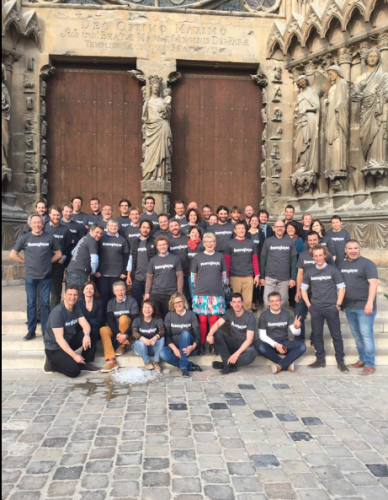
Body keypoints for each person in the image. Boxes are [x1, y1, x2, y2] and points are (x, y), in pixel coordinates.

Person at [11, 214, 62, 341]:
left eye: (39, 222)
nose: (37, 225)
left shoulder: (49, 237)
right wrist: (25, 262)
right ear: (30, 224)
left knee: (45, 303)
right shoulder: (25, 238)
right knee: (31, 303)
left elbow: (59, 254)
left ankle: (45, 330)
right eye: (35, 222)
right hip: (30, 276)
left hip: (45, 276)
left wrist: (49, 262)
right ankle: (31, 330)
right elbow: (13, 254)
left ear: (43, 224)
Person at [301, 245, 348, 372]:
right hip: (316, 308)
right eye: (315, 256)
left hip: (331, 308)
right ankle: (320, 360)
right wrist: (308, 304)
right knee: (317, 335)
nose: (318, 258)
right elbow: (303, 289)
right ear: (313, 257)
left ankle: (340, 361)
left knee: (336, 335)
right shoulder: (309, 272)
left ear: (325, 255)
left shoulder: (333, 270)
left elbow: (342, 288)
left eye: (320, 255)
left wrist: (338, 305)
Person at [43, 284, 100, 377]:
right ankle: (51, 364)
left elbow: (85, 324)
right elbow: (59, 339)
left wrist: (86, 335)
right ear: (64, 295)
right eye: (70, 294)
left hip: (68, 341)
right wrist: (74, 356)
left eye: (75, 295)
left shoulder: (76, 307)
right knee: (74, 371)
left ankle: (85, 362)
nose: (72, 297)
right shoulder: (57, 313)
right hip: (55, 347)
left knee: (92, 332)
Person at [340, 240, 379, 376]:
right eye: (350, 248)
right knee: (357, 335)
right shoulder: (342, 265)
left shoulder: (368, 264)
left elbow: (373, 284)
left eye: (355, 248)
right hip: (350, 306)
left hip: (364, 307)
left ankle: (370, 364)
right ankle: (362, 359)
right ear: (345, 250)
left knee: (366, 336)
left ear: (359, 249)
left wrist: (370, 303)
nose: (353, 250)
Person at [191, 232, 227, 355]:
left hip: (216, 294)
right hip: (201, 294)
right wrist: (200, 288)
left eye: (212, 241)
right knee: (202, 321)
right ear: (204, 243)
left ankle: (212, 344)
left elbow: (224, 276)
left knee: (214, 320)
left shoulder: (220, 256)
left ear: (215, 243)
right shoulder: (198, 257)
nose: (209, 243)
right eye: (207, 241)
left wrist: (220, 288)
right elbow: (193, 277)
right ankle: (201, 344)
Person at [295, 231, 334, 342]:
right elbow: (300, 274)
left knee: (317, 317)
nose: (312, 242)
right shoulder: (302, 255)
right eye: (310, 240)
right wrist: (298, 291)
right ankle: (299, 338)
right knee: (299, 314)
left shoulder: (327, 255)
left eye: (314, 240)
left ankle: (315, 338)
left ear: (319, 240)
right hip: (304, 290)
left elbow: (333, 272)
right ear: (307, 241)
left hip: (320, 291)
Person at [207, 293, 257, 374]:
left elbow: (249, 340)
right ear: (231, 304)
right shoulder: (229, 313)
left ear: (243, 303)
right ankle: (228, 365)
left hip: (246, 347)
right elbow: (217, 324)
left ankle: (225, 364)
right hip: (233, 344)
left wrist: (236, 354)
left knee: (252, 353)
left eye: (239, 302)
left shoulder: (250, 317)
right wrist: (210, 334)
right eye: (234, 302)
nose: (237, 305)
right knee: (217, 333)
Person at [258, 291, 306, 373]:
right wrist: (275, 345)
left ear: (280, 302)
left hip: (284, 343)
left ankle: (280, 366)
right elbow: (262, 336)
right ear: (269, 303)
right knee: (261, 347)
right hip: (271, 344)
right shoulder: (264, 315)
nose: (275, 303)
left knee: (302, 346)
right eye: (272, 301)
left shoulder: (287, 314)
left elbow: (295, 333)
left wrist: (297, 328)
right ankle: (286, 364)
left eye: (277, 300)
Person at [100, 281, 140, 372]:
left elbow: (136, 321)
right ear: (114, 292)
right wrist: (118, 334)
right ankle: (111, 360)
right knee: (103, 329)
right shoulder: (111, 302)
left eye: (122, 290)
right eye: (117, 290)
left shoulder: (132, 301)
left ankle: (121, 347)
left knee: (123, 318)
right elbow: (110, 320)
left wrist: (125, 335)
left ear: (125, 291)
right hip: (117, 332)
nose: (120, 292)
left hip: (129, 333)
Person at [160, 292, 202, 377]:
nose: (178, 304)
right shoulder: (169, 316)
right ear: (173, 304)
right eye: (176, 302)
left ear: (184, 302)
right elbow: (167, 335)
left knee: (185, 334)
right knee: (163, 353)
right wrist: (175, 349)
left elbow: (197, 335)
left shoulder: (191, 314)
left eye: (180, 302)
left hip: (188, 347)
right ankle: (188, 366)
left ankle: (183, 366)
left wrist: (192, 347)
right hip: (175, 345)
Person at [260, 220, 297, 308]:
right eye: (277, 227)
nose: (279, 228)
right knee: (267, 303)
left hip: (284, 279)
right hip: (270, 277)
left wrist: (293, 278)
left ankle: (280, 321)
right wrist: (262, 277)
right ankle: (268, 321)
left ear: (284, 229)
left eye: (282, 227)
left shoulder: (290, 241)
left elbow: (294, 260)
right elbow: (263, 259)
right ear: (274, 228)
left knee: (280, 304)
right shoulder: (268, 241)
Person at [224, 221, 260, 312]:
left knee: (247, 303)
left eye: (243, 228)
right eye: (239, 229)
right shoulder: (229, 243)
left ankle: (247, 322)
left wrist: (257, 275)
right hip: (234, 276)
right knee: (236, 302)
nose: (241, 230)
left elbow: (254, 259)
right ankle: (235, 322)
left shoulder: (250, 243)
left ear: (245, 230)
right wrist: (226, 276)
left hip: (248, 276)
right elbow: (227, 262)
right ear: (235, 230)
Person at [95, 219, 130, 313]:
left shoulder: (123, 240)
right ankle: (104, 319)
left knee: (115, 297)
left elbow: (126, 257)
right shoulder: (101, 238)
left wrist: (124, 271)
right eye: (111, 226)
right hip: (103, 274)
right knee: (104, 296)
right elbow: (96, 255)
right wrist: (96, 270)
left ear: (118, 228)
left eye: (115, 226)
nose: (113, 228)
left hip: (117, 274)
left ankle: (114, 318)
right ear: (107, 227)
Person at [145, 235, 183, 319]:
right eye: (160, 245)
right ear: (157, 246)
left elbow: (179, 276)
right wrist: (147, 293)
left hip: (170, 294)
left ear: (167, 245)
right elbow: (149, 277)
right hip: (155, 294)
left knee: (170, 317)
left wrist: (179, 292)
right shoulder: (153, 260)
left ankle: (169, 332)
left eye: (164, 244)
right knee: (156, 317)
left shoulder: (175, 259)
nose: (162, 247)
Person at [44, 205, 72, 309]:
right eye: (54, 214)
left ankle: (54, 315)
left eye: (58, 215)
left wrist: (63, 259)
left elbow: (68, 249)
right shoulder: (44, 227)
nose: (56, 217)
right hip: (44, 264)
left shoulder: (65, 230)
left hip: (58, 265)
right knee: (42, 290)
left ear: (61, 215)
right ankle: (40, 315)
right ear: (49, 215)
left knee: (56, 291)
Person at [127, 220, 156, 308]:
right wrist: (128, 275)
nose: (145, 230)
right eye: (143, 227)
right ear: (140, 229)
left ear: (150, 230)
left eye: (148, 228)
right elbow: (131, 259)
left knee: (150, 302)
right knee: (137, 301)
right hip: (137, 278)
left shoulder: (154, 242)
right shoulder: (135, 242)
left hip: (151, 278)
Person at [66, 224, 104, 288]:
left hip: (71, 270)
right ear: (91, 231)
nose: (99, 235)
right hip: (80, 273)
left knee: (71, 295)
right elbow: (94, 260)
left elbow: (73, 252)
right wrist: (93, 272)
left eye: (101, 233)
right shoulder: (92, 241)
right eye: (97, 232)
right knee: (79, 296)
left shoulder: (84, 238)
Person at [132, 299, 165, 371]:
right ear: (142, 309)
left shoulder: (158, 319)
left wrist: (155, 338)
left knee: (162, 339)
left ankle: (156, 362)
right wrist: (143, 339)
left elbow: (162, 331)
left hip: (152, 346)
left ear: (153, 309)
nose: (147, 309)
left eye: (149, 307)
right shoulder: (137, 320)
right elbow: (134, 333)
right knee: (140, 343)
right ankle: (147, 362)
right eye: (145, 307)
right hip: (140, 348)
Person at [168, 220, 190, 299]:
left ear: (180, 226)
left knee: (189, 295)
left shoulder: (187, 238)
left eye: (176, 225)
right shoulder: (167, 241)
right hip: (175, 274)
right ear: (169, 229)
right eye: (171, 226)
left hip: (188, 272)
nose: (174, 228)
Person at [247, 214, 265, 311]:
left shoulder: (261, 234)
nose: (254, 222)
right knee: (251, 283)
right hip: (247, 261)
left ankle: (256, 300)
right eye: (252, 220)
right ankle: (251, 301)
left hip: (258, 261)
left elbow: (263, 248)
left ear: (258, 222)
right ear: (249, 222)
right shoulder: (246, 233)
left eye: (256, 220)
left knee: (258, 282)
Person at [286, 221, 304, 309]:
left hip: (296, 263)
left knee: (294, 282)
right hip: (284, 263)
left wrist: (294, 255)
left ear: (295, 229)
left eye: (292, 228)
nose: (290, 230)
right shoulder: (283, 238)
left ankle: (294, 301)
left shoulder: (299, 240)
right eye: (288, 228)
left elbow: (301, 252)